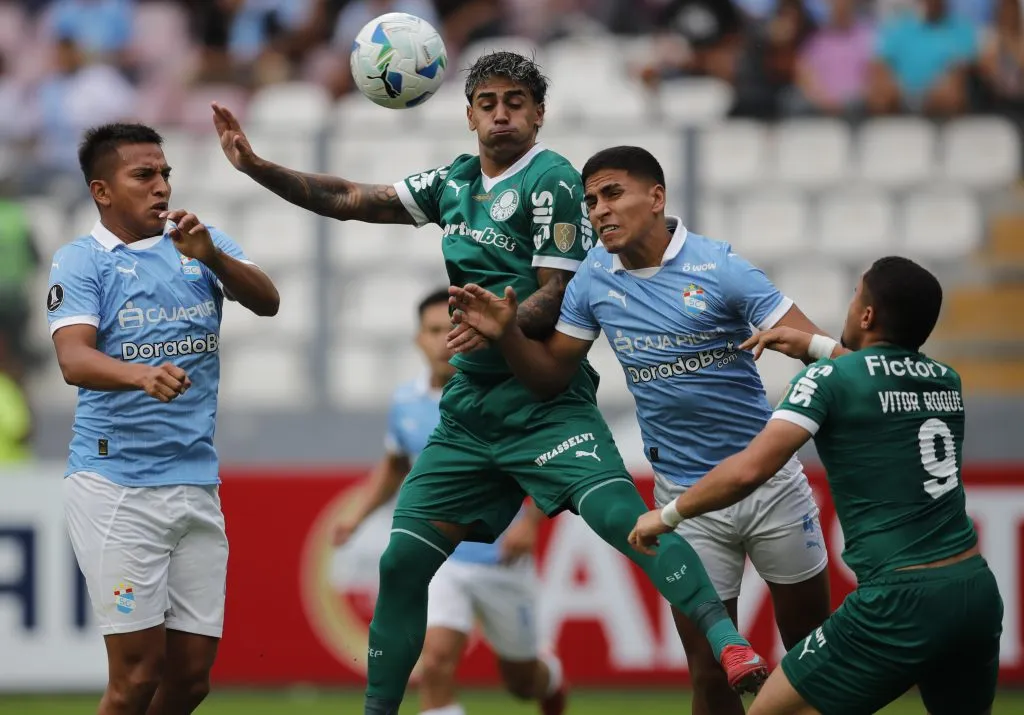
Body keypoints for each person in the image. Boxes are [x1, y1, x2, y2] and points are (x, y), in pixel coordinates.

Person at [212, 50, 767, 715]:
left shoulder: (553, 178)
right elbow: (354, 199)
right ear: (469, 112)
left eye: (515, 101)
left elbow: (557, 291)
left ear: (537, 113)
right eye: (488, 102)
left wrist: (503, 322)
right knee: (399, 563)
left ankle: (730, 642)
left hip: (544, 402)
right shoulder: (455, 181)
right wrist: (257, 166)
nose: (501, 113)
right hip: (470, 413)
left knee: (631, 522)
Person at [447, 145, 832, 715]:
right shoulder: (592, 281)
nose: (599, 209)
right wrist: (509, 334)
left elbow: (830, 364)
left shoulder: (720, 267)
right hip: (685, 500)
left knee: (810, 661)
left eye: (612, 194)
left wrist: (812, 362)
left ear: (656, 198)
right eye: (591, 200)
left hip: (770, 487)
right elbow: (552, 377)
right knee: (710, 675)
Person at [630, 256, 1004, 715]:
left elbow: (750, 469)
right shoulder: (947, 380)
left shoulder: (826, 380)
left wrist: (667, 515)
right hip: (974, 590)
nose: (849, 307)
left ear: (867, 315)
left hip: (899, 597)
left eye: (855, 297)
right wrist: (817, 345)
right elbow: (878, 377)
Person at [46, 123, 280, 715]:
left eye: (166, 174)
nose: (161, 187)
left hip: (196, 480)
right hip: (116, 484)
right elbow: (73, 359)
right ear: (102, 191)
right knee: (136, 677)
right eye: (143, 175)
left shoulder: (200, 243)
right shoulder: (81, 262)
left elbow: (268, 301)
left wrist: (214, 256)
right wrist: (139, 374)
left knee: (192, 679)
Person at [335, 288, 567, 715]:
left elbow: (542, 461)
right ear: (417, 339)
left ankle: (549, 678)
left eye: (452, 328)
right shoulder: (405, 401)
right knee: (436, 661)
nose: (444, 339)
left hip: (501, 559)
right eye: (434, 330)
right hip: (443, 557)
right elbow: (395, 464)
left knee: (522, 681)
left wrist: (529, 523)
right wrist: (357, 516)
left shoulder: (500, 391)